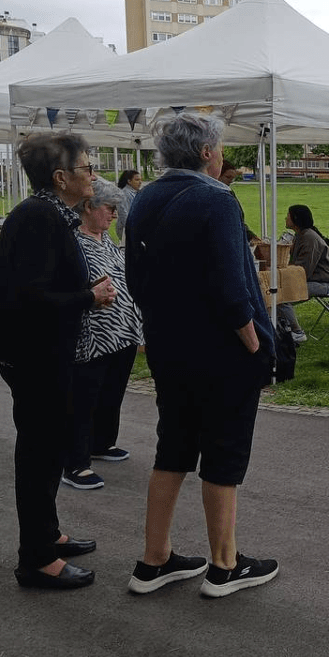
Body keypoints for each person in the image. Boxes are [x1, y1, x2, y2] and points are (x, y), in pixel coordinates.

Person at [125, 112, 278, 598]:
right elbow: (234, 286)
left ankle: (154, 560)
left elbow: (135, 278)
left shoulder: (145, 196)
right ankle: (225, 565)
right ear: (208, 152)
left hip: (169, 345)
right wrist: (253, 342)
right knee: (223, 452)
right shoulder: (217, 200)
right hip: (221, 349)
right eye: (222, 146)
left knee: (172, 447)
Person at [0, 132, 116, 590]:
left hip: (40, 352)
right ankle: (36, 558)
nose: (93, 175)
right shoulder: (41, 216)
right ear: (61, 178)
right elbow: (31, 297)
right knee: (39, 454)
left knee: (49, 447)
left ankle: (48, 535)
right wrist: (88, 295)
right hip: (34, 355)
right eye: (86, 168)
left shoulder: (49, 212)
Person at [64, 178, 143, 490]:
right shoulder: (72, 243)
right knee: (84, 399)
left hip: (122, 335)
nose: (114, 215)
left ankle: (102, 443)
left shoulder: (106, 241)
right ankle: (75, 462)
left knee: (111, 394)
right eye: (110, 208)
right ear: (88, 207)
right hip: (92, 337)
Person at [276, 204, 329, 343]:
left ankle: (297, 333)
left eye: (288, 215)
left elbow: (303, 270)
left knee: (281, 296)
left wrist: (282, 274)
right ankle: (282, 329)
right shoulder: (301, 235)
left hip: (322, 284)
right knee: (275, 292)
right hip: (312, 280)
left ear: (296, 219)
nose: (285, 218)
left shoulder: (309, 238)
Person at [219, 159, 259, 242]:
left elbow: (238, 221)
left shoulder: (230, 193)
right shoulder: (216, 195)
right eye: (228, 177)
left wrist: (250, 235)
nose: (230, 181)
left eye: (233, 178)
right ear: (218, 175)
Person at [115, 169, 142, 243]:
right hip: (127, 231)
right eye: (137, 180)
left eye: (140, 179)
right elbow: (124, 215)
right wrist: (132, 230)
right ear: (129, 181)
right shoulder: (125, 194)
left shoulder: (133, 193)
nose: (140, 182)